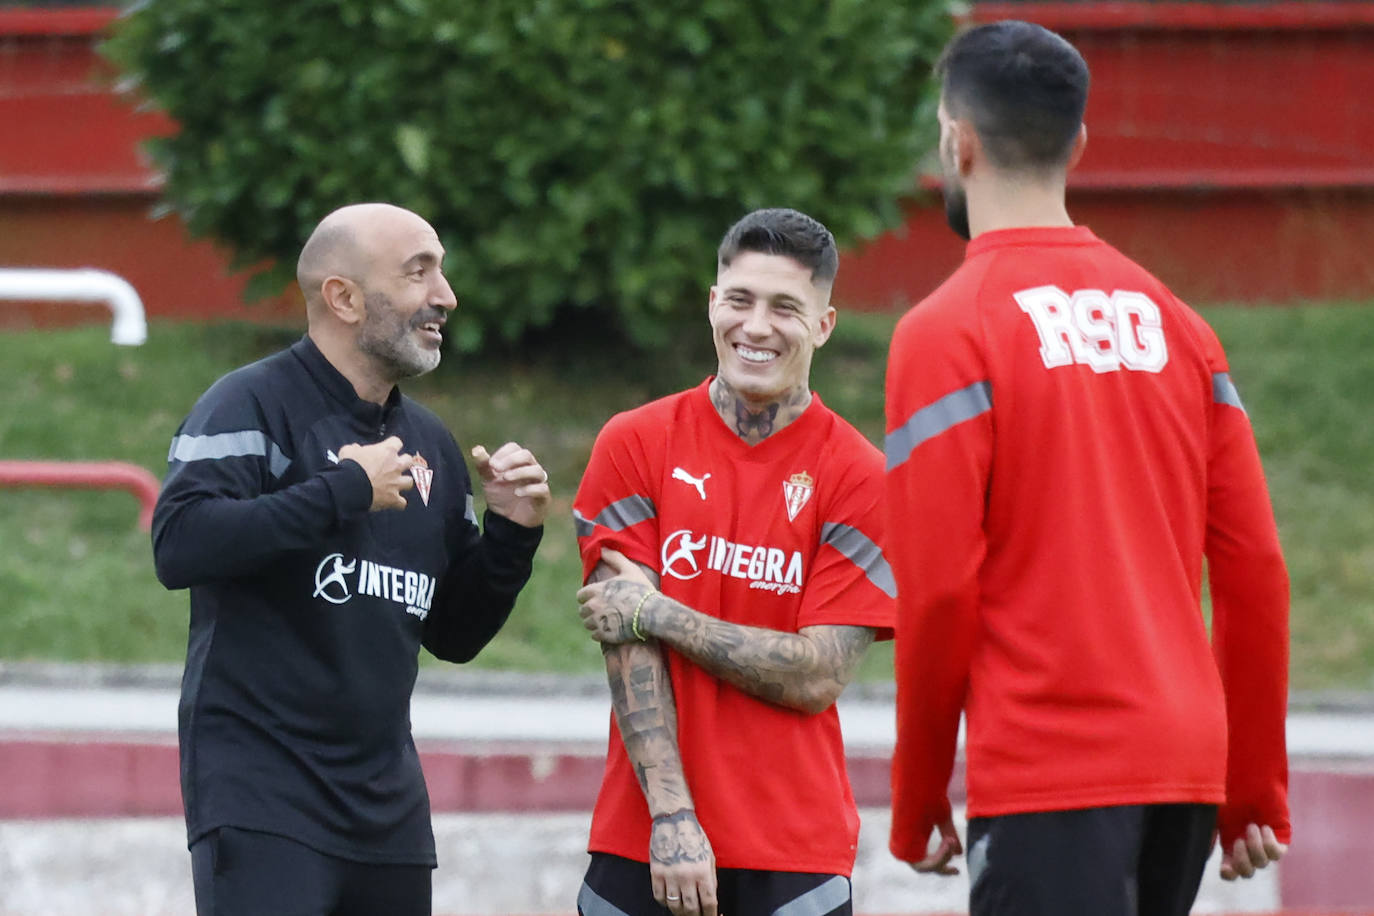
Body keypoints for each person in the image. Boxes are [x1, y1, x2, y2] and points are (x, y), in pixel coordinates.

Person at [884, 20, 1291, 916]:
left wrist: (917, 794)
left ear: (958, 142)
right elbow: (1256, 570)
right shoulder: (1180, 326)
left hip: (1050, 775)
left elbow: (940, 589)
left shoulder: (946, 333)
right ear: (1078, 143)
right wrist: (1253, 782)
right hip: (1183, 774)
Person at [151, 202, 550, 916]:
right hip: (261, 798)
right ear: (343, 297)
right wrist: (342, 491)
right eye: (418, 272)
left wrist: (512, 536)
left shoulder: (431, 445)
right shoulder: (247, 404)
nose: (446, 296)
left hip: (387, 814)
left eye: (442, 271)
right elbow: (180, 543)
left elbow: (454, 634)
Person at [573, 208, 896, 916]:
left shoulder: (860, 477)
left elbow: (816, 675)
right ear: (712, 302)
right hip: (642, 840)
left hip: (794, 851)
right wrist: (672, 819)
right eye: (740, 300)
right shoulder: (634, 444)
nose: (756, 327)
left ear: (824, 324)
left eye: (786, 308)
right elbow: (627, 649)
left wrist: (657, 611)